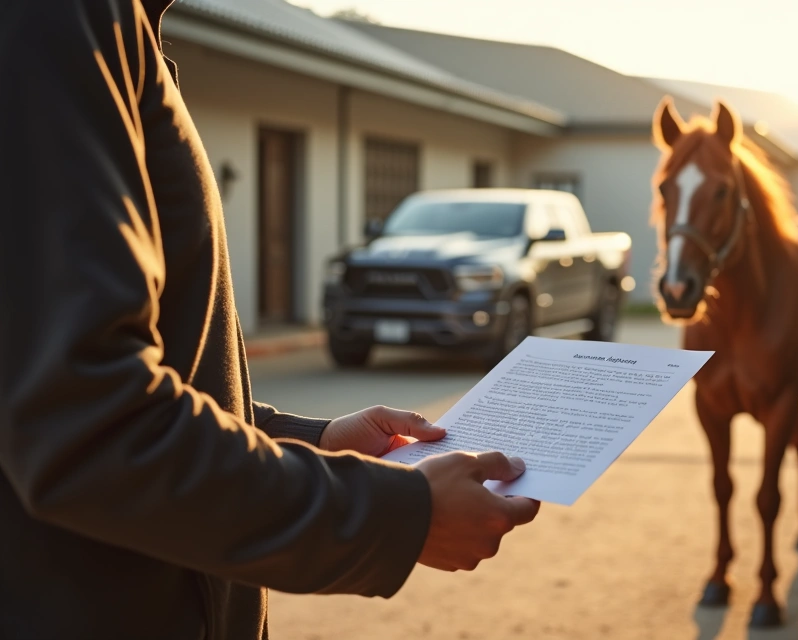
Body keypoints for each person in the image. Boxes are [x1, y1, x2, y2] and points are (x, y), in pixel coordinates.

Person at [0, 1, 540, 638]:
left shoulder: (113, 31)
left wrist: (313, 441)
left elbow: (115, 385)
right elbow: (87, 424)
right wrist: (398, 515)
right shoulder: (51, 20)